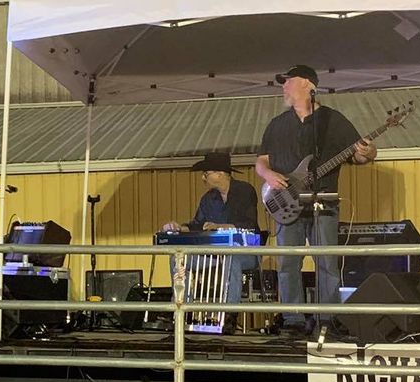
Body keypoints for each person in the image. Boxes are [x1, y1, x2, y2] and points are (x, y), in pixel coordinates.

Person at [254, 65, 376, 334]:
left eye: (288, 81)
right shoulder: (277, 124)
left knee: (327, 263)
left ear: (307, 84)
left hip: (324, 204)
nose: (283, 87)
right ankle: (293, 320)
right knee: (288, 264)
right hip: (286, 204)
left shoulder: (333, 120)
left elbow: (359, 155)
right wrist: (269, 175)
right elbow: (261, 161)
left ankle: (327, 319)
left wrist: (369, 152)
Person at [161, 151, 262, 332]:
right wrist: (179, 227)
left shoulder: (245, 191)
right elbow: (197, 225)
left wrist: (221, 226)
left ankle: (230, 315)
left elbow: (250, 224)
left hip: (246, 252)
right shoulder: (208, 199)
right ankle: (182, 309)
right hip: (215, 255)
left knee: (231, 257)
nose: (203, 178)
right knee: (178, 259)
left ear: (220, 174)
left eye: (206, 174)